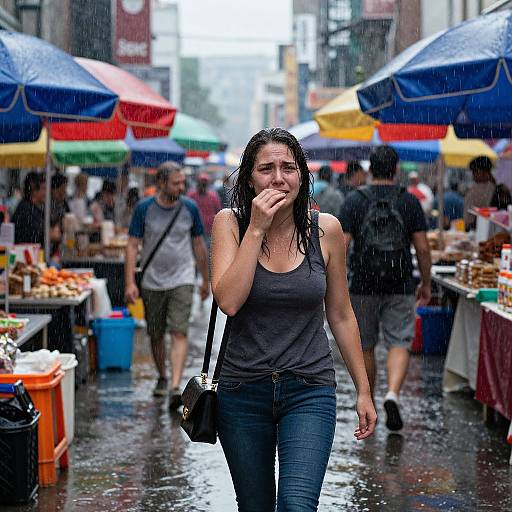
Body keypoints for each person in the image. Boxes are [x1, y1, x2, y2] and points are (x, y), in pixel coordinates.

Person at [211, 128, 376, 511]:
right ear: (249, 179)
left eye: (288, 167)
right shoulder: (230, 224)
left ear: (302, 176)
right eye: (266, 169)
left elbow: (341, 314)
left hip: (309, 389)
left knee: (297, 505)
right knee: (255, 506)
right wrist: (256, 229)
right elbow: (229, 302)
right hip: (242, 391)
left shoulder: (327, 230)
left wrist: (364, 390)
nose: (278, 178)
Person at [339, 146, 431, 432]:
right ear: (395, 168)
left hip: (363, 283)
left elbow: (341, 245)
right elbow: (423, 247)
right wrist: (425, 282)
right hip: (400, 282)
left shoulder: (354, 200)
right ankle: (392, 393)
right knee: (399, 342)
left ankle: (369, 399)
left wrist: (338, 284)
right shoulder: (409, 201)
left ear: (371, 168)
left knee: (365, 344)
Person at [125, 162, 209, 409]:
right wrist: (130, 281)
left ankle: (174, 385)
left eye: (183, 182)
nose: (181, 187)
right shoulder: (144, 209)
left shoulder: (190, 208)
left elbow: (198, 245)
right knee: (156, 333)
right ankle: (162, 375)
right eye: (176, 183)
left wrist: (205, 279)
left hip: (183, 278)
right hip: (152, 281)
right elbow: (132, 245)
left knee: (179, 331)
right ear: (160, 183)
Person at [187, 172, 222, 247]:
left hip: (209, 230)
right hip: (194, 230)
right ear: (198, 183)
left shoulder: (213, 196)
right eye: (201, 182)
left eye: (204, 183)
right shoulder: (191, 195)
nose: (203, 184)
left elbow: (218, 211)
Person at [12, 172, 46, 245]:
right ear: (33, 189)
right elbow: (32, 237)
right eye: (43, 188)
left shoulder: (34, 208)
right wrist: (49, 235)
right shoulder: (25, 209)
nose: (46, 192)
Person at [464, 156, 496, 230]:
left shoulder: (476, 191)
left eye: (474, 172)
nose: (473, 175)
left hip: (477, 229)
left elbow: (468, 219)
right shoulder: (494, 187)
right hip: (488, 229)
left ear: (483, 172)